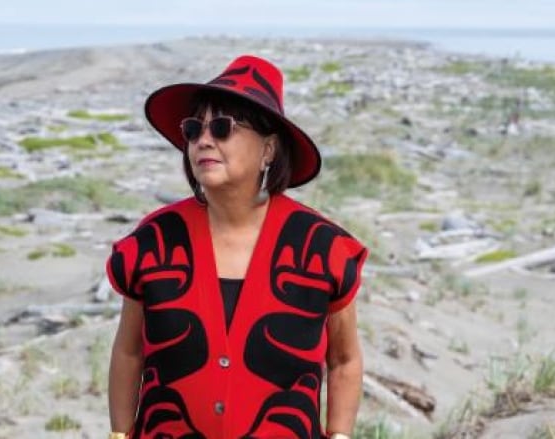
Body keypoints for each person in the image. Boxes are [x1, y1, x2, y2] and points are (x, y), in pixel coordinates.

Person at [106, 54, 368, 439]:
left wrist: (340, 435)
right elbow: (129, 352)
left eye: (223, 127)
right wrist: (119, 434)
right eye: (194, 129)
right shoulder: (153, 241)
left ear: (268, 150)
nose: (204, 140)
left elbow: (344, 359)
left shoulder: (321, 248)